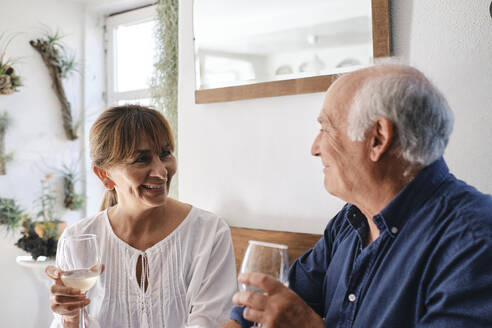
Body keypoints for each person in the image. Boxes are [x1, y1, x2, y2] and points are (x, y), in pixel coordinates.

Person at [224, 64, 492, 327]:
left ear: (378, 138)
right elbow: (269, 299)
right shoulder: (351, 220)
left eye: (326, 128)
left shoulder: (474, 242)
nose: (315, 148)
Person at [46, 105, 237, 328]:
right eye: (141, 159)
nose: (161, 171)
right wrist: (69, 316)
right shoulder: (78, 239)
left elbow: (212, 322)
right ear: (104, 175)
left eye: (165, 154)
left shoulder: (209, 233)